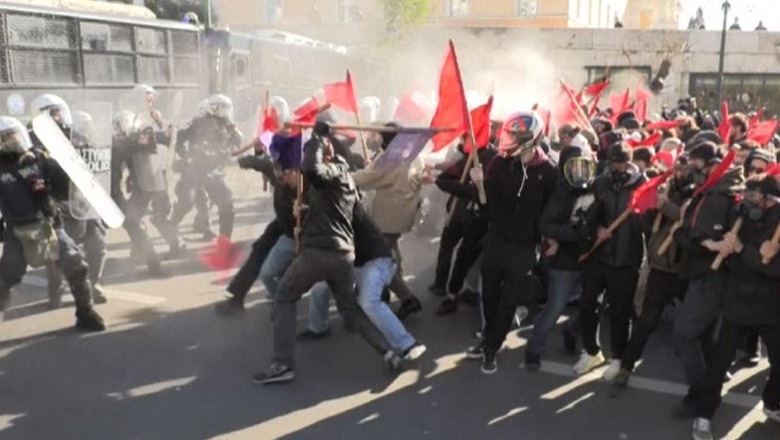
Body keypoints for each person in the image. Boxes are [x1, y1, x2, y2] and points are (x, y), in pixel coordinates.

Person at [253, 121, 390, 385]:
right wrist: (303, 212)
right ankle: (388, 351)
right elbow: (331, 211)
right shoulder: (343, 178)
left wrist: (316, 136)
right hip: (342, 254)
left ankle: (282, 365)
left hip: (320, 252)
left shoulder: (329, 172)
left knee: (284, 296)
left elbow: (311, 168)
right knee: (350, 312)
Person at [465, 111, 557, 374]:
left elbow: (552, 212)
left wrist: (550, 239)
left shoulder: (549, 172)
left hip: (525, 247)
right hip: (496, 240)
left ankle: (490, 348)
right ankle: (489, 338)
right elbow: (486, 207)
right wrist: (480, 185)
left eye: (516, 135)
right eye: (510, 133)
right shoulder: (499, 163)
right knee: (490, 296)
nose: (509, 139)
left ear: (531, 138)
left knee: (509, 301)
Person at [690, 174, 780, 440]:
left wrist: (745, 250)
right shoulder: (738, 216)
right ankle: (703, 415)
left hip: (771, 309)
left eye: (754, 196)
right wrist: (726, 247)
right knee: (719, 364)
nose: (747, 201)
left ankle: (773, 403)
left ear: (769, 199)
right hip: (737, 305)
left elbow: (774, 270)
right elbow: (731, 261)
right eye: (746, 195)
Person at [0, 116, 105, 331]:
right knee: (7, 275)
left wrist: (67, 174)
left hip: (49, 225)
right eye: (4, 138)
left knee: (76, 265)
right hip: (17, 231)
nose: (10, 141)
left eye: (13, 136)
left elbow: (65, 185)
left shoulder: (40, 159)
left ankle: (85, 312)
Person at [671, 141, 744, 419]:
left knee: (684, 334)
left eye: (697, 164)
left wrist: (683, 232)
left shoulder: (717, 197)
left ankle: (702, 391)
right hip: (707, 275)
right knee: (702, 337)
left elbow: (696, 237)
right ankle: (706, 389)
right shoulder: (715, 191)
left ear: (714, 164)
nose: (693, 170)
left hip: (709, 277)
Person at [307, 202, 426, 365]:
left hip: (375, 260)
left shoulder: (343, 206)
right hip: (357, 262)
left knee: (368, 301)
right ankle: (319, 327)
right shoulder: (325, 209)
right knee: (320, 288)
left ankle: (408, 344)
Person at [609, 157, 693, 386]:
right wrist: (647, 212)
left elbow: (688, 218)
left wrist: (664, 205)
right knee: (646, 321)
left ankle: (704, 372)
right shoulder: (664, 190)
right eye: (679, 168)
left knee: (695, 325)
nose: (681, 173)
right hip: (661, 268)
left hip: (686, 270)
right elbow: (647, 226)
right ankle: (626, 366)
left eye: (687, 168)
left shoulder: (698, 194)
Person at [29, 94, 109, 308]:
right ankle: (56, 291)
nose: (56, 117)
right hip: (56, 202)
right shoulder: (32, 143)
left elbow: (95, 159)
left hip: (83, 198)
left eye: (58, 112)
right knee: (58, 252)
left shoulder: (76, 136)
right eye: (51, 113)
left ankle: (95, 283)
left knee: (97, 242)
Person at [576, 142, 647, 378]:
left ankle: (618, 356)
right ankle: (591, 350)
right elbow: (586, 214)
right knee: (587, 304)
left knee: (620, 312)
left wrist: (638, 214)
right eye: (611, 163)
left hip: (626, 260)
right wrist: (596, 229)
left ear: (628, 164)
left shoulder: (642, 187)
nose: (614, 168)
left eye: (619, 163)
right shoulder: (600, 183)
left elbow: (647, 225)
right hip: (599, 257)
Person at [525, 145, 596, 370]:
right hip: (564, 262)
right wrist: (576, 234)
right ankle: (533, 351)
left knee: (589, 306)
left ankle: (571, 331)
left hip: (590, 259)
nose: (580, 173)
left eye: (584, 167)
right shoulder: (561, 192)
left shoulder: (598, 188)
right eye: (574, 167)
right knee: (555, 307)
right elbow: (546, 224)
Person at [350, 123, 426, 321]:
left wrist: (337, 175)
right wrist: (375, 165)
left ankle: (406, 298)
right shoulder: (413, 156)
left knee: (378, 258)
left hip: (388, 217)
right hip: (403, 215)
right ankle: (389, 291)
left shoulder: (390, 160)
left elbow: (364, 179)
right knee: (391, 252)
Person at [433, 140, 496, 316]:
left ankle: (481, 300)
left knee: (490, 267)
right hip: (476, 219)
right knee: (464, 258)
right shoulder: (477, 158)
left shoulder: (504, 161)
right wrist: (471, 188)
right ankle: (452, 295)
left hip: (498, 225)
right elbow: (444, 180)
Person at [172, 94, 241, 242]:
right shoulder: (199, 124)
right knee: (187, 201)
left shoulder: (229, 127)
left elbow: (237, 145)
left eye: (226, 108)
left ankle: (224, 242)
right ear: (214, 108)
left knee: (227, 204)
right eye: (222, 108)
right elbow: (178, 139)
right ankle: (171, 225)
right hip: (193, 170)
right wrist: (185, 155)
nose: (226, 112)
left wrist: (227, 152)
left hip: (213, 172)